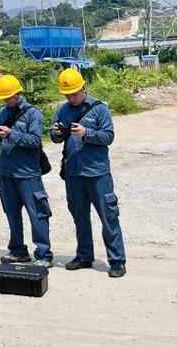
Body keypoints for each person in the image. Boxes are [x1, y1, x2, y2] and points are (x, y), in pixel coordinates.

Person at [49, 67, 127, 278]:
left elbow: (108, 136)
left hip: (97, 173)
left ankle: (117, 261)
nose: (71, 98)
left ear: (83, 88)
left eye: (74, 93)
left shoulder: (99, 109)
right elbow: (54, 136)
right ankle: (84, 255)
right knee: (79, 217)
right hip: (73, 174)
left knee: (108, 217)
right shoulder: (62, 110)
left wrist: (86, 133)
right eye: (67, 95)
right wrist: (56, 133)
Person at [0, 74, 52, 266]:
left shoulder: (33, 114)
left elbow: (35, 141)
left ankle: (43, 254)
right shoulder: (3, 113)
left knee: (37, 214)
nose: (7, 101)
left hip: (27, 174)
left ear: (18, 94)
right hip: (6, 172)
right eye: (4, 98)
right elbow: (0, 141)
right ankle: (17, 250)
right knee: (12, 213)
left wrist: (12, 134)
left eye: (9, 97)